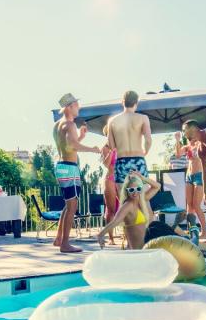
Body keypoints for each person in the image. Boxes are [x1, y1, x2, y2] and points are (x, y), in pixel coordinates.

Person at [52, 93, 101, 253]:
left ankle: (59, 239)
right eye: (77, 105)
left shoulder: (58, 124)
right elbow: (73, 146)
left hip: (62, 166)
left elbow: (67, 145)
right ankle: (65, 244)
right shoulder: (70, 124)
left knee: (68, 205)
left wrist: (81, 135)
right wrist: (93, 149)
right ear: (70, 107)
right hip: (69, 167)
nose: (79, 107)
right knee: (72, 205)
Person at [96, 171, 161, 250]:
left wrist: (142, 178)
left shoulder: (141, 200)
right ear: (126, 190)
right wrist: (101, 234)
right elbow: (115, 221)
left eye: (138, 189)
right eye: (131, 190)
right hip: (134, 252)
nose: (135, 193)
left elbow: (157, 186)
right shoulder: (128, 205)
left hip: (143, 250)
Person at [107, 90, 152, 186]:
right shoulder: (143, 118)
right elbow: (148, 140)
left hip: (121, 161)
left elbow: (112, 147)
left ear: (122, 102)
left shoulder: (112, 121)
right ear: (136, 103)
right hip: (138, 160)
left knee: (124, 200)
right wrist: (145, 152)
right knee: (143, 198)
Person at [175, 129, 206, 240]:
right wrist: (177, 140)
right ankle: (192, 229)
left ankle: (204, 231)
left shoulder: (200, 144)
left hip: (199, 175)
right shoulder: (187, 147)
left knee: (196, 205)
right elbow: (178, 154)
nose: (190, 136)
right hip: (189, 176)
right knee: (189, 205)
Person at [100, 130, 119, 246]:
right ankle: (111, 238)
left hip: (121, 179)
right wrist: (112, 150)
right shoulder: (105, 148)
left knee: (125, 207)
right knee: (110, 209)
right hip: (110, 179)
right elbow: (107, 164)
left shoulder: (121, 146)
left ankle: (127, 237)